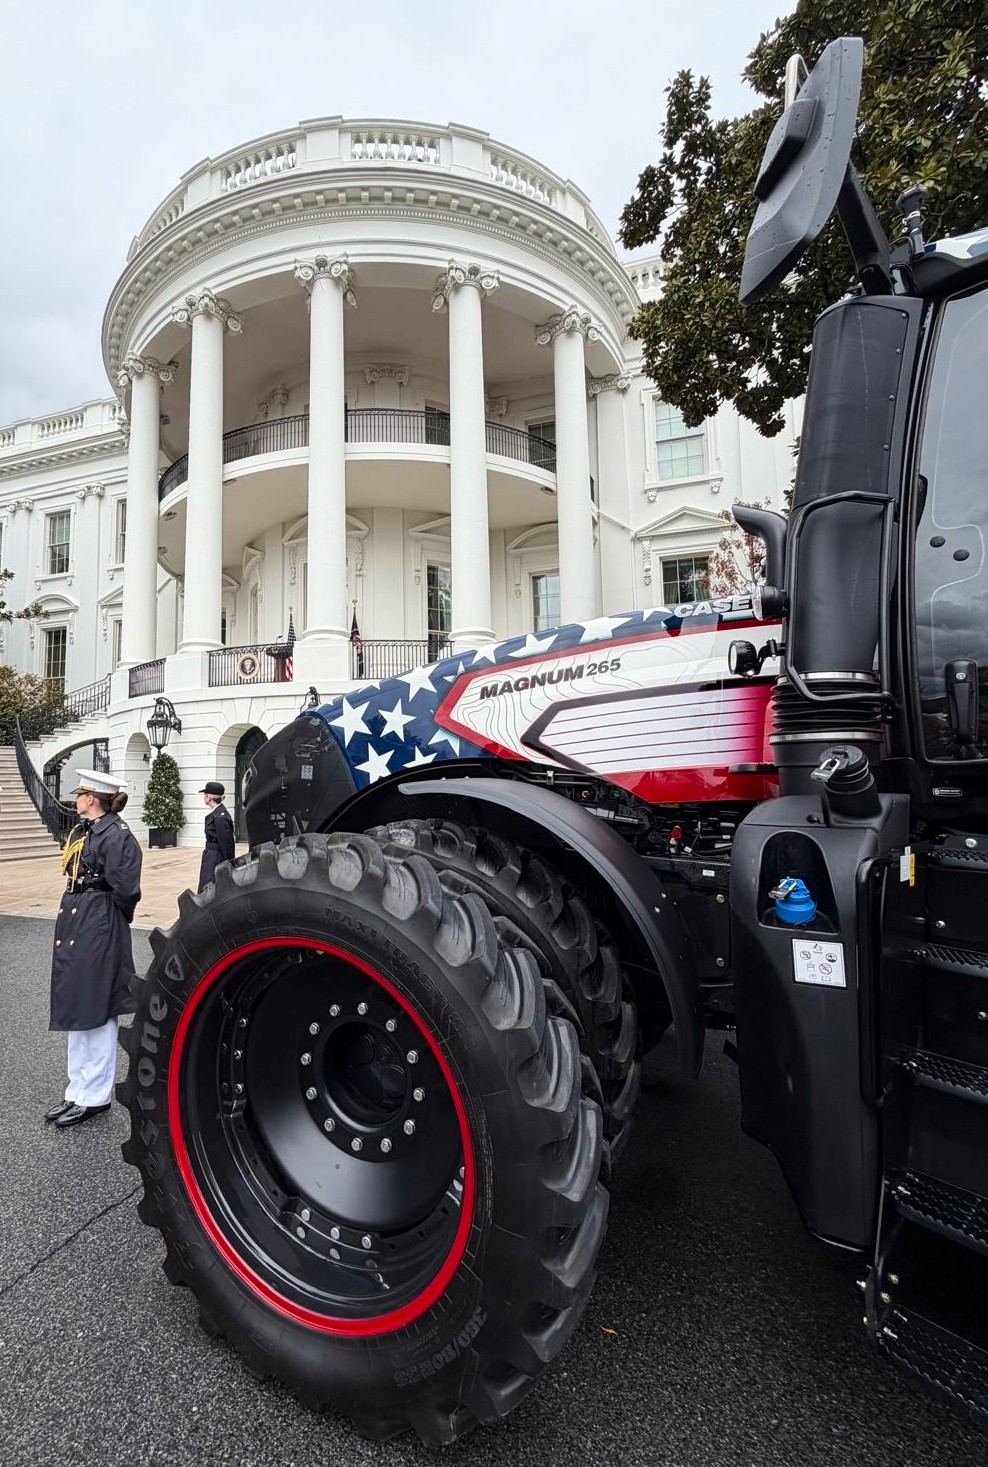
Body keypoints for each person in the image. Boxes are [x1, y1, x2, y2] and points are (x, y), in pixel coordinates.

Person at [45, 769, 142, 1129]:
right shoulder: (84, 830)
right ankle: (77, 1089)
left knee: (98, 1009)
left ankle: (96, 1096)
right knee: (77, 1005)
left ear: (93, 799)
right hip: (79, 918)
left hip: (99, 921)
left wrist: (109, 923)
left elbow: (127, 890)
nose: (76, 799)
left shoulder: (116, 836)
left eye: (80, 794)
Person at [198, 780, 235, 892]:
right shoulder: (218, 813)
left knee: (209, 886)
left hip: (215, 856)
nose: (204, 797)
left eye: (205, 795)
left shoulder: (220, 816)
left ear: (209, 798)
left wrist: (229, 863)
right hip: (211, 854)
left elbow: (227, 843)